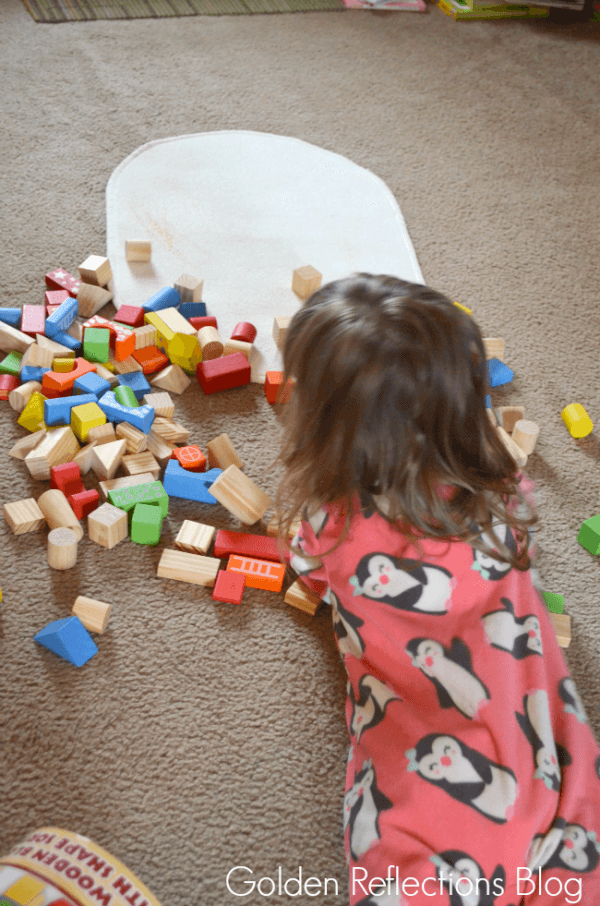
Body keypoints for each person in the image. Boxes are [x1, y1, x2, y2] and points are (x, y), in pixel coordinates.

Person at [275, 273, 600, 906]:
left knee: (418, 859)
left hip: (432, 728)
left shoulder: (334, 532)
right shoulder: (504, 485)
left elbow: (307, 567)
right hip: (528, 719)